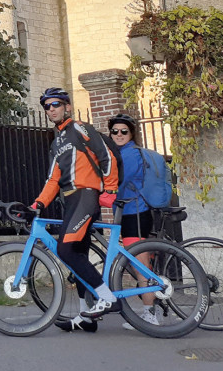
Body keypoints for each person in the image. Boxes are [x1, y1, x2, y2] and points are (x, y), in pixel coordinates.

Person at [30, 87, 119, 333]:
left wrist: (109, 190)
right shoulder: (57, 142)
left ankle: (107, 297)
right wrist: (37, 204)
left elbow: (107, 156)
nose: (51, 109)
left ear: (67, 106)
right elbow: (52, 180)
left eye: (56, 104)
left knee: (65, 249)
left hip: (86, 196)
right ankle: (86, 317)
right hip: (70, 200)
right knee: (77, 256)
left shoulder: (80, 128)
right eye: (47, 106)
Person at [109, 113, 159, 329]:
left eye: (124, 131)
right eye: (114, 131)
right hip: (131, 214)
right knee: (137, 261)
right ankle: (149, 306)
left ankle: (150, 315)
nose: (119, 135)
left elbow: (118, 182)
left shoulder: (128, 155)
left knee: (140, 265)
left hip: (135, 214)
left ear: (131, 134)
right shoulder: (119, 153)